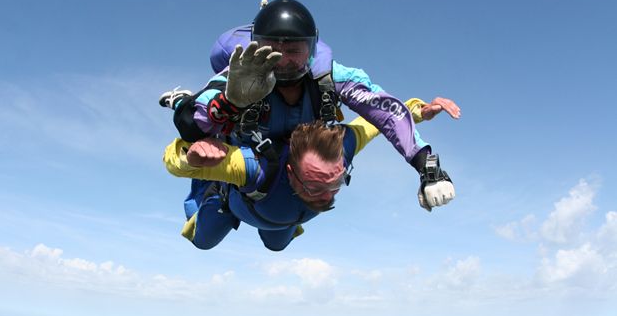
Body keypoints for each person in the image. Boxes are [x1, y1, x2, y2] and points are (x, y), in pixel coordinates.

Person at [159, 0, 460, 211]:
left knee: (277, 241)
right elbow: (189, 125)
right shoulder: (242, 74)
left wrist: (427, 168)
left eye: (293, 50)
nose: (282, 61)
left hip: (299, 155)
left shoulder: (332, 77)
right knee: (207, 236)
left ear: (312, 49)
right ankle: (179, 98)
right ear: (256, 45)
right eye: (271, 50)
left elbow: (382, 111)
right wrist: (230, 100)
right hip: (254, 147)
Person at [163, 117, 456, 251]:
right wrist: (191, 157)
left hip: (278, 217)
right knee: (202, 241)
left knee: (276, 246)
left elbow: (383, 119)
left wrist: (419, 109)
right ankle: (213, 188)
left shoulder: (343, 148)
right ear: (290, 172)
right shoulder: (255, 168)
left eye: (337, 182)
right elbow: (173, 163)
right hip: (234, 203)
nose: (327, 197)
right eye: (314, 187)